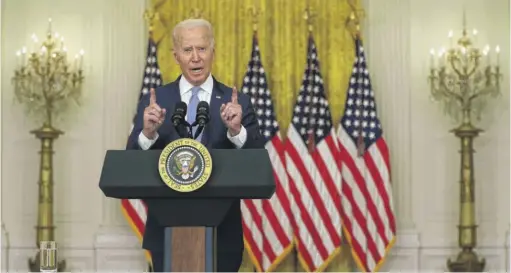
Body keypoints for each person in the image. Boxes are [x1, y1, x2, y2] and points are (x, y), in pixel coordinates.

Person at [126, 18, 264, 272]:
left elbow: (259, 162)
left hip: (223, 234)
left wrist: (237, 131)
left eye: (202, 49)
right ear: (176, 55)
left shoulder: (237, 102)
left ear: (213, 51)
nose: (195, 57)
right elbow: (130, 161)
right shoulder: (156, 101)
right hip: (166, 232)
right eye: (187, 50)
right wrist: (147, 133)